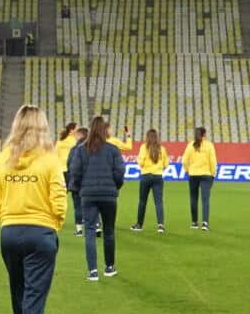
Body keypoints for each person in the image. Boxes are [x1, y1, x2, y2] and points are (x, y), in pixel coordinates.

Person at [0, 105, 67, 314]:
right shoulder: (49, 159)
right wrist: (54, 224)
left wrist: (7, 219)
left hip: (10, 233)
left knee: (19, 297)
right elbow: (59, 197)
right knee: (34, 301)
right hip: (40, 232)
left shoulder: (2, 159)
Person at [68, 116, 125, 281]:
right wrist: (115, 187)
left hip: (88, 196)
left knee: (89, 232)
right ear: (104, 130)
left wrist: (79, 189)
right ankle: (109, 267)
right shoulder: (113, 150)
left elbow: (75, 172)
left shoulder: (81, 150)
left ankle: (93, 271)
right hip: (108, 196)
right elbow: (120, 173)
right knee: (109, 231)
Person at [130, 129, 168, 233]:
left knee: (142, 201)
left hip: (146, 176)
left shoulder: (144, 147)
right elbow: (166, 164)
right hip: (158, 177)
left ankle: (139, 225)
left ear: (147, 137)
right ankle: (160, 225)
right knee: (158, 202)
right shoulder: (162, 149)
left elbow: (141, 162)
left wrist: (142, 163)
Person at [54, 122, 85, 237]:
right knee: (78, 197)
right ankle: (82, 220)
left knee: (60, 196)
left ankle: (56, 217)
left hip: (61, 171)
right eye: (76, 129)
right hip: (71, 170)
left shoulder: (60, 140)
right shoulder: (74, 141)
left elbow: (54, 155)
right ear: (72, 130)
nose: (77, 130)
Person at [183, 127, 216, 231]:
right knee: (205, 200)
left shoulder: (190, 145)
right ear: (204, 134)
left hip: (193, 174)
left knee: (193, 198)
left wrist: (188, 170)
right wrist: (213, 174)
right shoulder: (209, 145)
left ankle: (194, 222)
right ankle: (205, 223)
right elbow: (213, 162)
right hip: (206, 175)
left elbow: (184, 161)